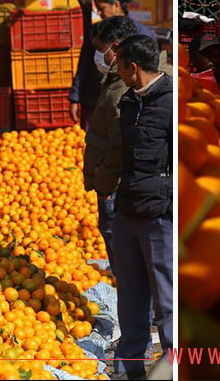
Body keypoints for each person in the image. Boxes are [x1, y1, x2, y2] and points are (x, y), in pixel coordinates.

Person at [111, 34, 173, 380]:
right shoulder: (129, 102)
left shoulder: (170, 104)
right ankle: (128, 369)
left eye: (119, 66)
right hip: (127, 208)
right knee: (131, 296)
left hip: (159, 216)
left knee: (167, 301)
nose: (117, 72)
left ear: (133, 68)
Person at [82, 15, 169, 260]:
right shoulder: (115, 79)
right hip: (115, 183)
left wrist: (104, 185)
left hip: (118, 186)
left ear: (117, 48)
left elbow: (118, 143)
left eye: (102, 51)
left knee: (125, 256)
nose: (100, 57)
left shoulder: (126, 85)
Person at [70, 0, 156, 128]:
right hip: (94, 100)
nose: (99, 13)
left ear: (116, 5)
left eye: (101, 8)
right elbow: (84, 64)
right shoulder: (96, 31)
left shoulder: (142, 34)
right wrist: (75, 97)